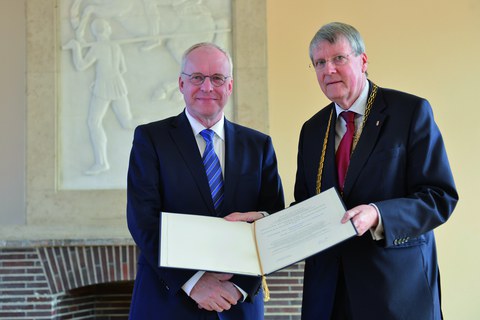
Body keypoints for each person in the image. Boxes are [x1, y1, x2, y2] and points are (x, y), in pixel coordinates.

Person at [294, 22, 458, 319]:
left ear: (363, 60)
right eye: (319, 62)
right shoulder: (312, 129)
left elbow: (439, 197)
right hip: (328, 296)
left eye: (338, 59)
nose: (328, 70)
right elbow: (306, 206)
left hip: (395, 291)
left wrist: (378, 214)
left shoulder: (409, 112)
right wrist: (266, 222)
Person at [126, 42, 284, 320]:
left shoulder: (259, 146)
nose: (207, 87)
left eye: (217, 78)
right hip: (167, 302)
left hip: (238, 305)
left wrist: (239, 287)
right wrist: (193, 281)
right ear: (181, 84)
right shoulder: (151, 139)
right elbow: (143, 220)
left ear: (230, 86)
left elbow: (275, 220)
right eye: (197, 77)